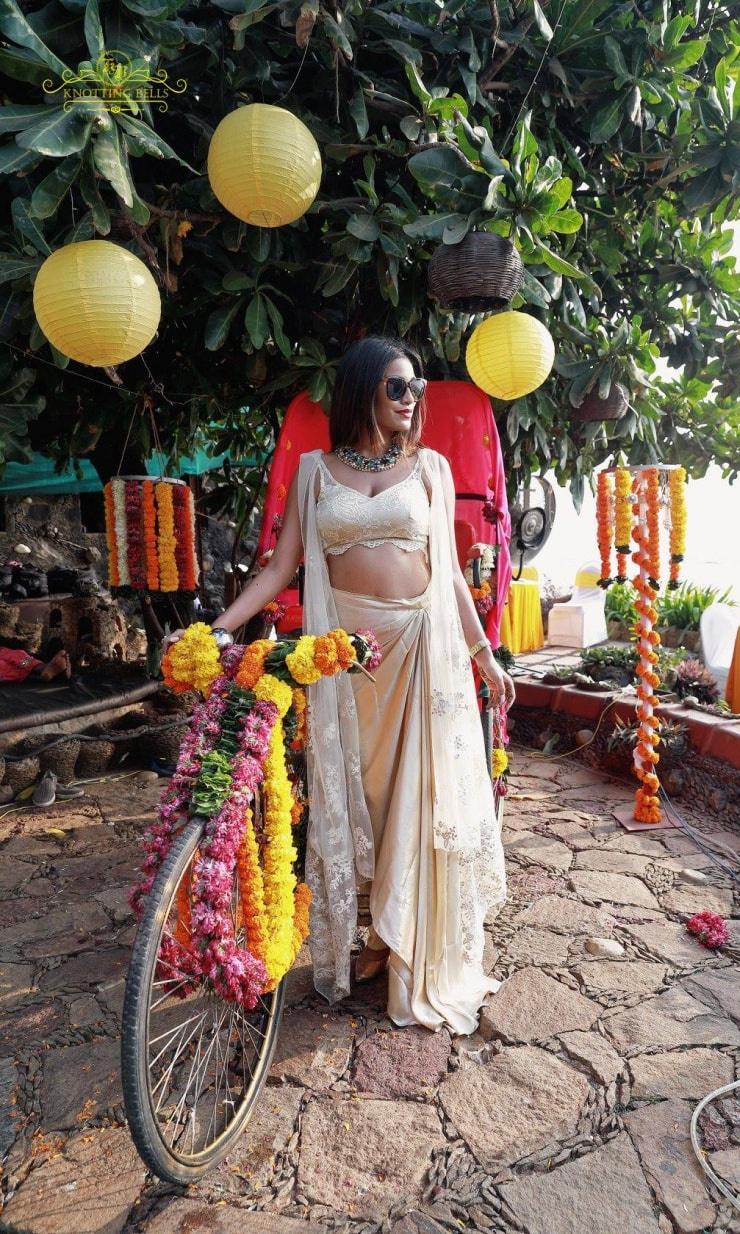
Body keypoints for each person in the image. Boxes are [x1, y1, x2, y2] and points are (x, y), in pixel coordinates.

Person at [166, 336, 513, 1034]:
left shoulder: (432, 469)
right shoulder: (315, 474)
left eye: (415, 385)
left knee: (419, 801)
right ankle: (376, 934)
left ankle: (404, 949)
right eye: (396, 386)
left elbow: (446, 573)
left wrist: (485, 658)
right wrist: (220, 629)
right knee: (363, 800)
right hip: (342, 659)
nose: (411, 397)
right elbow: (277, 571)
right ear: (361, 390)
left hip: (420, 651)